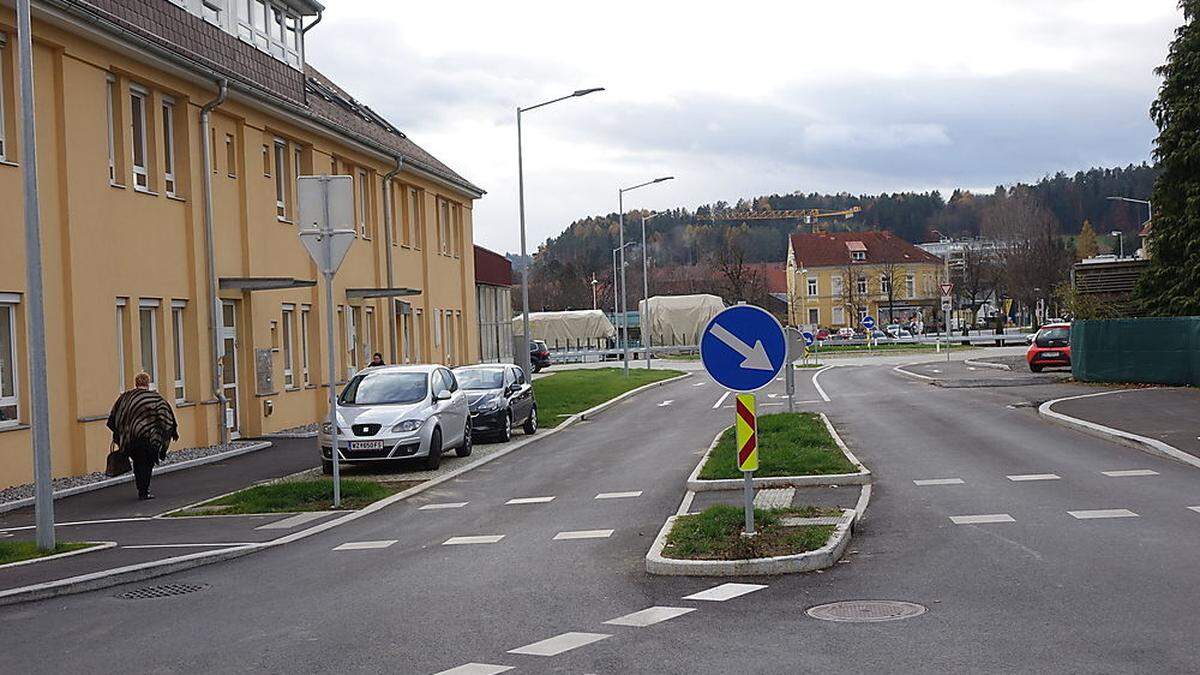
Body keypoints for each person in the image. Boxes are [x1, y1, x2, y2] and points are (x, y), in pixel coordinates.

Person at [107, 372, 178, 500]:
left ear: (136, 383)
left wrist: (121, 434)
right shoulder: (155, 399)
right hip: (148, 439)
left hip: (130, 438)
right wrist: (165, 436)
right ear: (148, 383)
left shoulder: (125, 398)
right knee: (147, 463)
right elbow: (166, 418)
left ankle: (141, 488)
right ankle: (144, 491)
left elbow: (114, 417)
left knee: (137, 462)